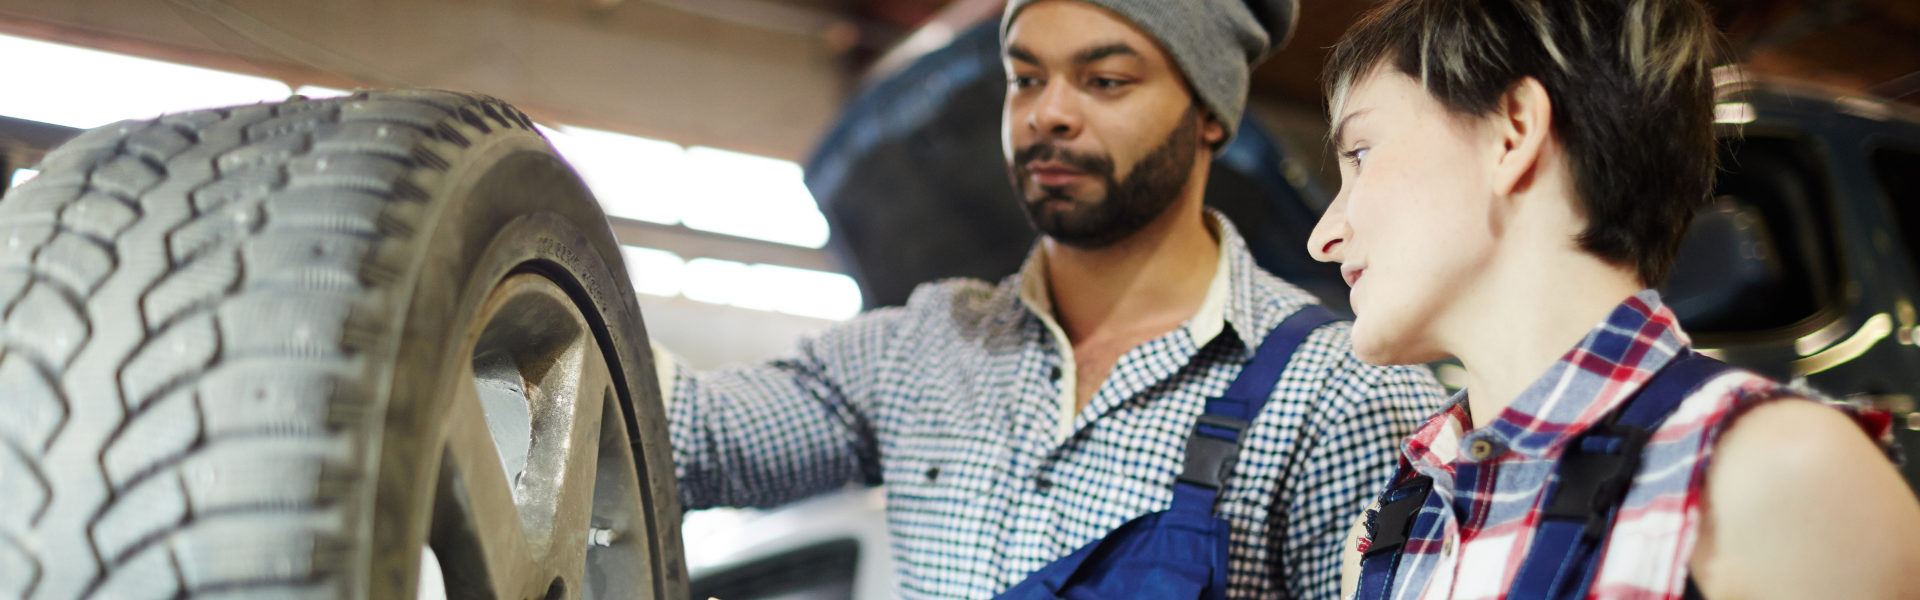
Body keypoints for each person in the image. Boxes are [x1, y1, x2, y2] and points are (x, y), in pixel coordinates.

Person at [657, 0, 1450, 598]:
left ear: (1211, 113)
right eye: (1025, 78)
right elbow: (678, 437)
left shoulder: (1344, 394)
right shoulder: (915, 354)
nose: (1049, 113)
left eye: (1104, 80)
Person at [1306, 0, 1920, 598]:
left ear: (1513, 131)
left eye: (1360, 153)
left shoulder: (1780, 479)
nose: (1322, 238)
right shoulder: (1394, 526)